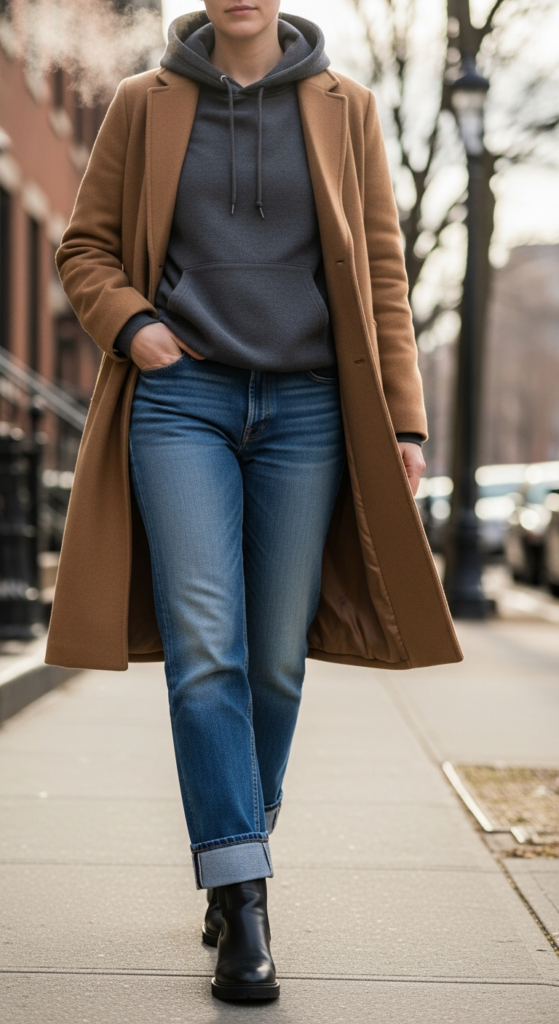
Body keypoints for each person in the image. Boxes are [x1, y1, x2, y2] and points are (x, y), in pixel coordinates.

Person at [46, 0, 462, 1004]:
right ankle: (245, 892)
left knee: (274, 660)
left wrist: (403, 420)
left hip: (309, 408)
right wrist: (135, 326)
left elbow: (384, 273)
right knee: (207, 647)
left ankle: (235, 839)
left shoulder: (345, 106)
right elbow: (83, 250)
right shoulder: (144, 105)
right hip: (182, 400)